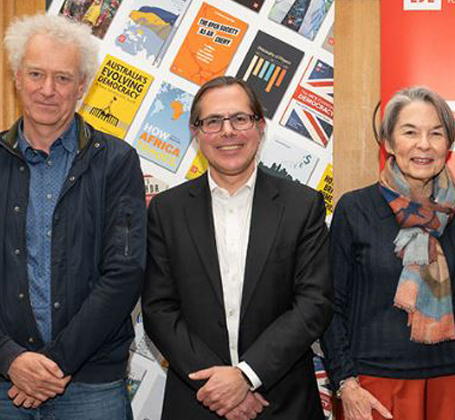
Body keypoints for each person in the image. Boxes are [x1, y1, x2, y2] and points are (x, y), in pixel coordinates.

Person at [0, 14, 146, 419]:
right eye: (36, 74)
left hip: (91, 386)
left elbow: (124, 273)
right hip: (5, 384)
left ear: (82, 88)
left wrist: (53, 366)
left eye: (63, 78)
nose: (47, 90)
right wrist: (11, 360)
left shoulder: (117, 162)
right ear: (17, 78)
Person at [141, 76, 332, 420]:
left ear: (260, 127)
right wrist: (221, 387)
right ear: (196, 132)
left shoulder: (302, 205)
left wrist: (247, 376)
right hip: (197, 400)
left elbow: (313, 304)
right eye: (213, 121)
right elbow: (159, 309)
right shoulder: (166, 210)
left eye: (240, 119)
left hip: (283, 403)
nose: (228, 131)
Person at [320, 86, 455, 420]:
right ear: (388, 142)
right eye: (410, 132)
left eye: (436, 134)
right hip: (374, 386)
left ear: (449, 144)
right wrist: (346, 384)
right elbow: (331, 305)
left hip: (453, 383)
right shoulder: (355, 209)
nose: (423, 145)